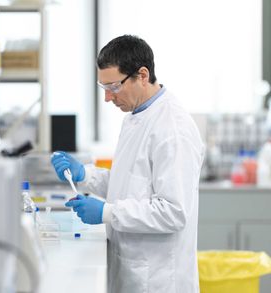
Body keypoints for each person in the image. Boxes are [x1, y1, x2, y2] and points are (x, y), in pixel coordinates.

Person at [51, 35, 205, 293]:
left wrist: (106, 213)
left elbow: (174, 212)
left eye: (113, 87)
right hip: (131, 268)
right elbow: (131, 185)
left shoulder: (172, 128)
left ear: (142, 75)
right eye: (104, 88)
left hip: (158, 278)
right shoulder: (136, 116)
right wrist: (84, 175)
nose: (108, 99)